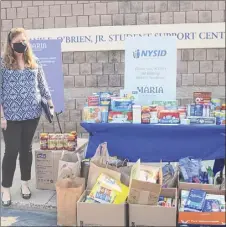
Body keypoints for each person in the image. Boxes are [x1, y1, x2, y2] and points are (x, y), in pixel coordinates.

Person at [0, 28, 54, 206]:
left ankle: (24, 184)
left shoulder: (34, 61)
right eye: (17, 42)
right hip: (11, 116)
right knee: (11, 151)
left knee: (26, 150)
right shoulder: (3, 63)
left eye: (24, 41)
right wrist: (2, 116)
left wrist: (50, 104)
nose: (21, 44)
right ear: (10, 45)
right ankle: (6, 188)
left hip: (32, 114)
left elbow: (43, 85)